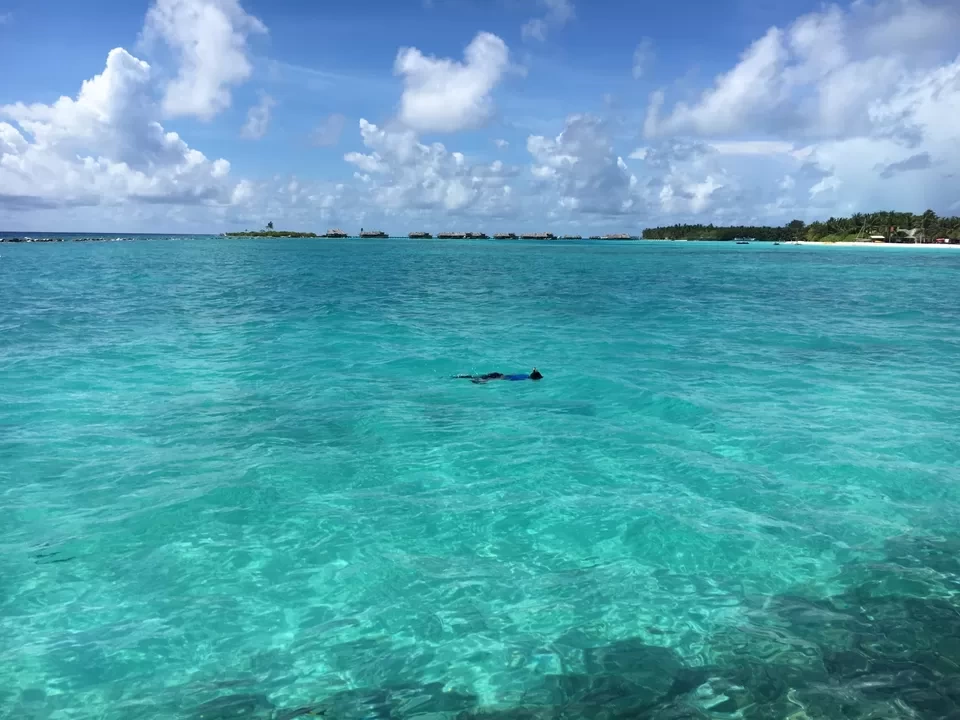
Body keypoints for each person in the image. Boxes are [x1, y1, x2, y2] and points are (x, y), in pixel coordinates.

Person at [454, 368, 543, 384]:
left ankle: (461, 376)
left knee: (477, 376)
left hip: (499, 374)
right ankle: (477, 381)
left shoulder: (525, 375)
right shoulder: (524, 379)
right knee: (484, 380)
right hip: (500, 377)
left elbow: (512, 374)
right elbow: (509, 379)